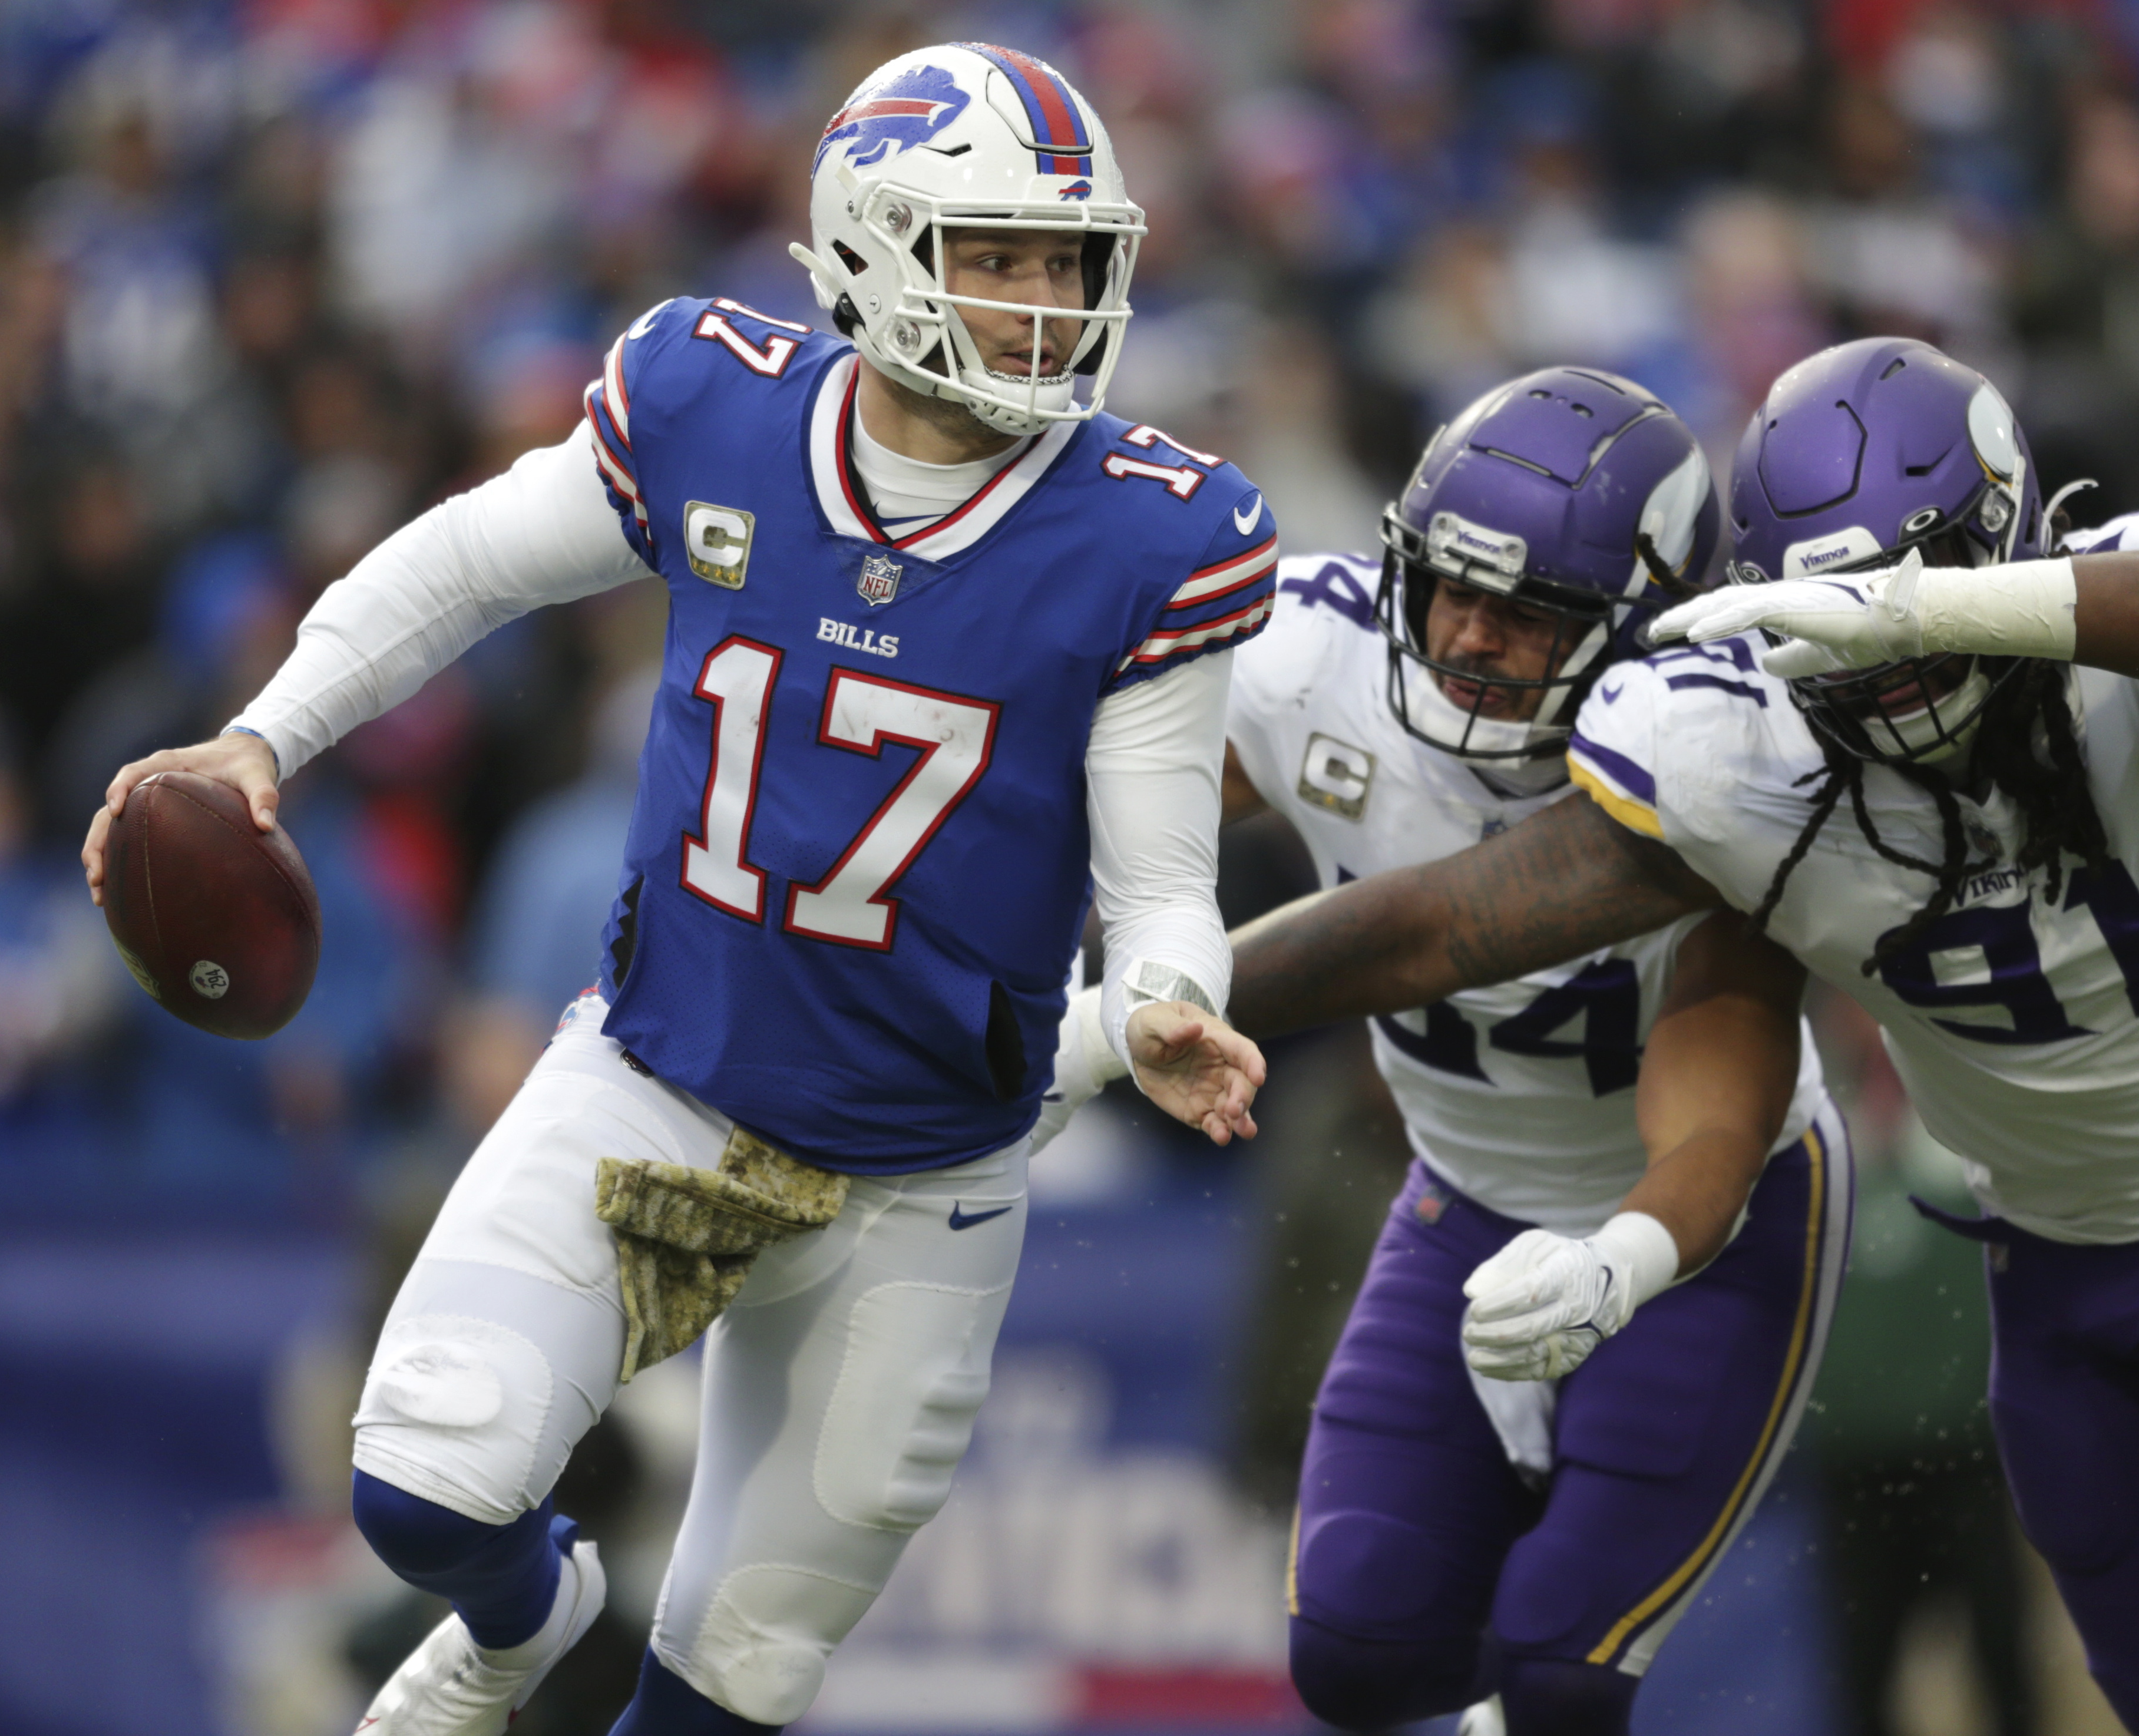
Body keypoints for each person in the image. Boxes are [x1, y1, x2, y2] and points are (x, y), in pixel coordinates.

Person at [81, 42, 1275, 1736]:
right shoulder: (717, 405)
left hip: (920, 1178)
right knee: (422, 1486)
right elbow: (467, 565)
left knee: (731, 1684)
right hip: (656, 1077)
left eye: (1062, 258)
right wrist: (260, 737)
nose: (1039, 298)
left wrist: (1167, 998)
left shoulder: (1150, 535)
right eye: (992, 252)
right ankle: (521, 1622)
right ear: (870, 240)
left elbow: (1159, 880)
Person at [1225, 336, 2139, 1735]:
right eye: (1843, 604)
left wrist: (1951, 608)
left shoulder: (2132, 664)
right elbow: (1451, 921)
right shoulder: (1746, 754)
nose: (1890, 655)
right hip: (2053, 1274)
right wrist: (1127, 1007)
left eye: (1918, 577)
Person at [1043, 370, 1847, 1735]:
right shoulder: (1310, 648)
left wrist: (1622, 1259)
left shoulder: (1717, 742)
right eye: (1450, 589)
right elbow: (1108, 822)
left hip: (1708, 1226)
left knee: (1562, 1672)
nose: (1470, 634)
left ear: (1634, 624)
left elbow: (1720, 1102)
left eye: (1528, 613)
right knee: (1354, 1653)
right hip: (1460, 1193)